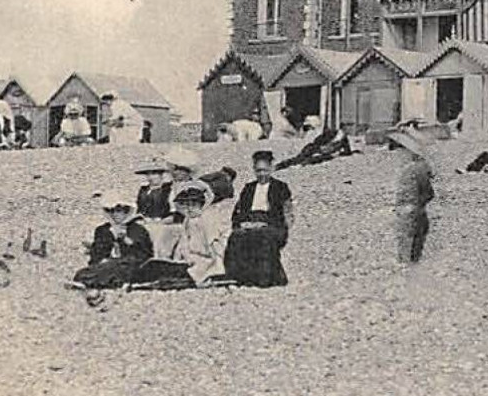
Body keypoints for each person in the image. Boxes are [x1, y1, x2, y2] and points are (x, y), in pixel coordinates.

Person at [133, 180, 232, 287]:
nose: (189, 208)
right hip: (189, 261)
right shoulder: (188, 221)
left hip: (206, 263)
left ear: (202, 203)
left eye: (194, 204)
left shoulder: (208, 220)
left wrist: (196, 264)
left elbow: (216, 249)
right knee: (151, 266)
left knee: (161, 272)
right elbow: (184, 245)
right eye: (186, 205)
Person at [224, 150, 292, 288]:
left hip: (271, 223)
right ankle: (239, 277)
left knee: (263, 236)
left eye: (265, 170)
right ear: (254, 170)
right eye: (258, 170)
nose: (262, 174)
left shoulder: (280, 187)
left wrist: (265, 223)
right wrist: (243, 223)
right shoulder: (248, 188)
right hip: (249, 221)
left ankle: (265, 278)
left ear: (271, 169)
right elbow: (239, 211)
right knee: (236, 236)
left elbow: (285, 213)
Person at [73, 195, 154, 289]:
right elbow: (97, 252)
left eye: (119, 211)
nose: (115, 214)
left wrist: (126, 240)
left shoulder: (137, 229)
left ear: (126, 212)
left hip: (129, 264)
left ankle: (98, 283)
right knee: (84, 273)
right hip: (107, 263)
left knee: (117, 271)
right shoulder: (103, 229)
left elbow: (145, 253)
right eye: (112, 211)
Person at [388, 124, 435, 265]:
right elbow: (429, 193)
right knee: (414, 237)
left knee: (406, 237)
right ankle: (410, 262)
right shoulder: (418, 168)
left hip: (409, 208)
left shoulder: (411, 169)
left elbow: (426, 192)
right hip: (414, 208)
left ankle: (406, 263)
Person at [275, 115, 353, 168]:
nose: (350, 129)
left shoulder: (344, 139)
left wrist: (337, 154)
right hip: (316, 147)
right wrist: (321, 147)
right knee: (299, 158)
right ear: (343, 127)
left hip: (324, 152)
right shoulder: (332, 132)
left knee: (315, 159)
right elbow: (319, 139)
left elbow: (347, 151)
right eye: (349, 126)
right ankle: (281, 165)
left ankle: (300, 165)